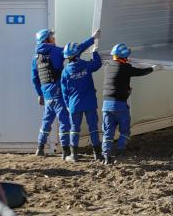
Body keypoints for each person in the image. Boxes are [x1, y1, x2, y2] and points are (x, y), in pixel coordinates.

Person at [31, 26, 99, 159]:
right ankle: (66, 152)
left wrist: (39, 94)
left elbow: (34, 78)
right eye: (52, 36)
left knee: (46, 121)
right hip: (58, 94)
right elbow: (75, 50)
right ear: (47, 40)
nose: (54, 38)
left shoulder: (35, 58)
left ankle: (40, 148)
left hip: (47, 95)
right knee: (64, 123)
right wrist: (93, 39)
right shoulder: (56, 51)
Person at [101, 43, 160, 164]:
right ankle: (119, 151)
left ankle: (106, 156)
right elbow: (140, 72)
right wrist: (153, 68)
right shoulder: (126, 68)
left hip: (106, 105)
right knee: (125, 131)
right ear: (124, 56)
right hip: (120, 106)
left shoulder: (107, 66)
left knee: (108, 132)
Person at [60, 37, 103, 162]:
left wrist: (68, 105)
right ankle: (97, 154)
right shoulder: (86, 65)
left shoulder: (65, 72)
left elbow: (64, 91)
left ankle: (74, 155)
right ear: (78, 53)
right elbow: (98, 64)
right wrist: (94, 51)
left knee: (74, 129)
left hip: (74, 105)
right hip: (89, 103)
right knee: (93, 127)